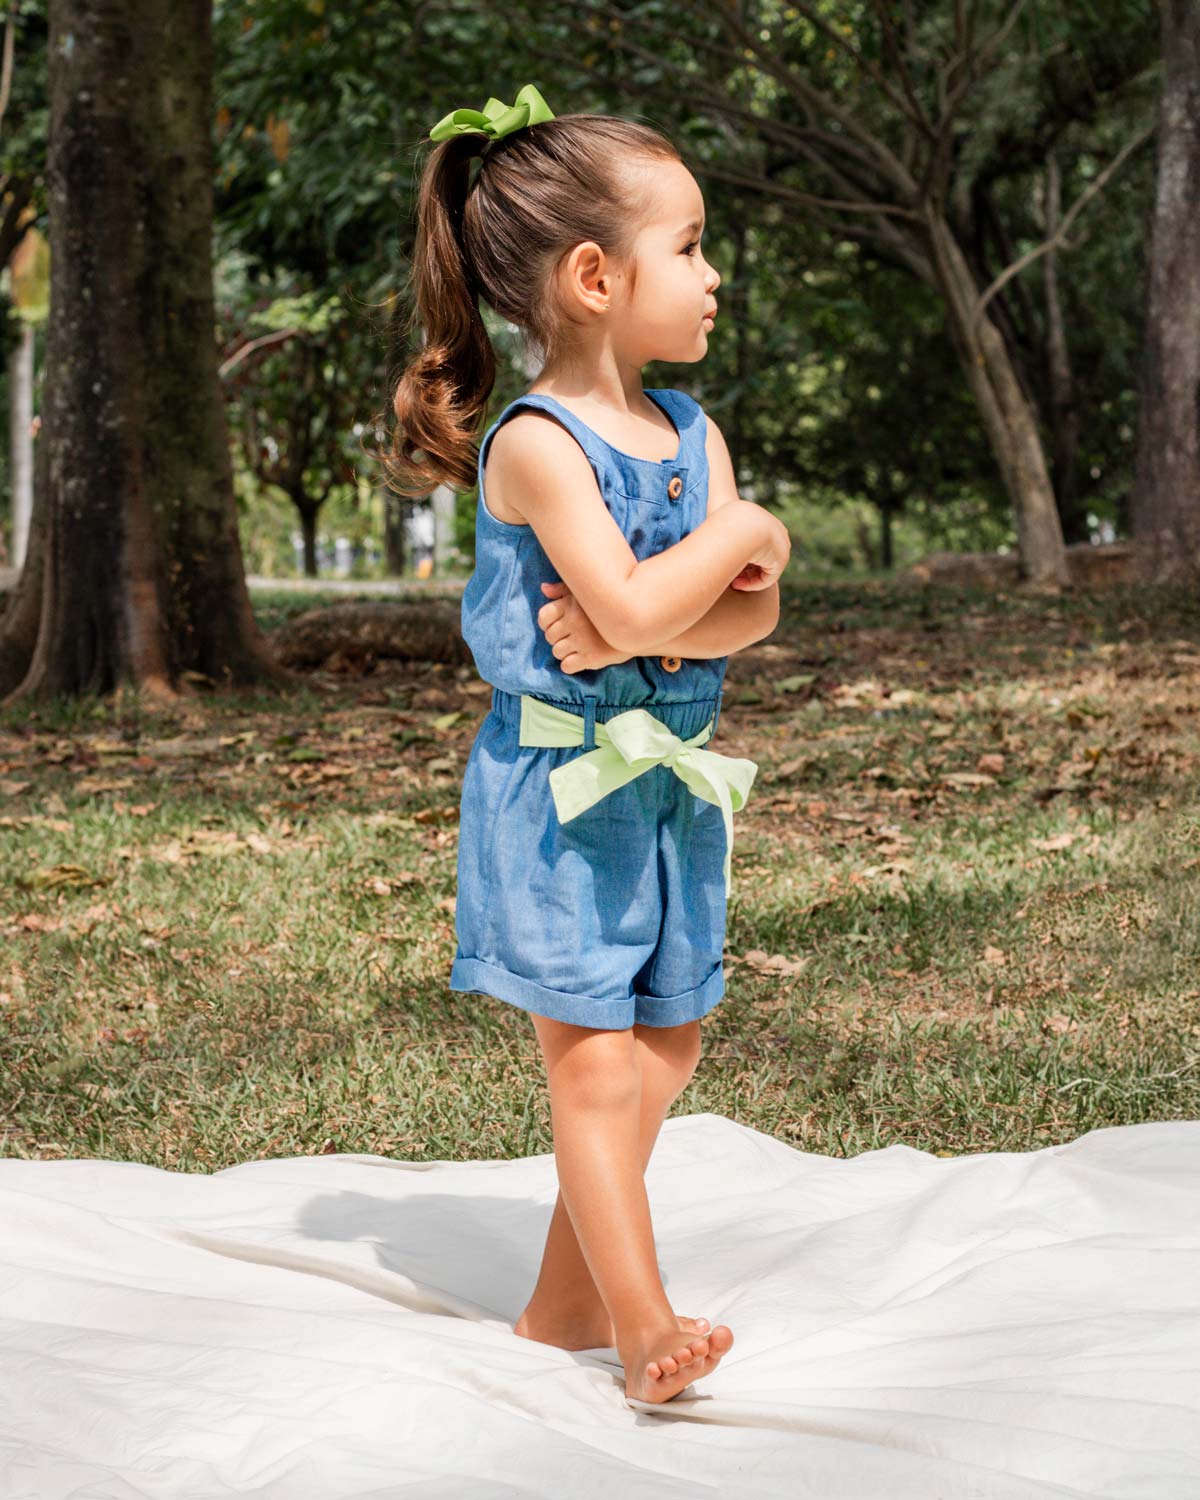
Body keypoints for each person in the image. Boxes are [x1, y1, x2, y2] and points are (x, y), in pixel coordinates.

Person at [386, 84, 791, 1406]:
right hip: (560, 792)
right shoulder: (539, 448)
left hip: (669, 795)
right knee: (597, 1062)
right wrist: (740, 545)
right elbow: (638, 606)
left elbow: (741, 622)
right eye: (690, 245)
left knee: (666, 1043)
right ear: (594, 277)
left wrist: (724, 576)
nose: (714, 275)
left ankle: (558, 1307)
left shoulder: (691, 432)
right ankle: (639, 1320)